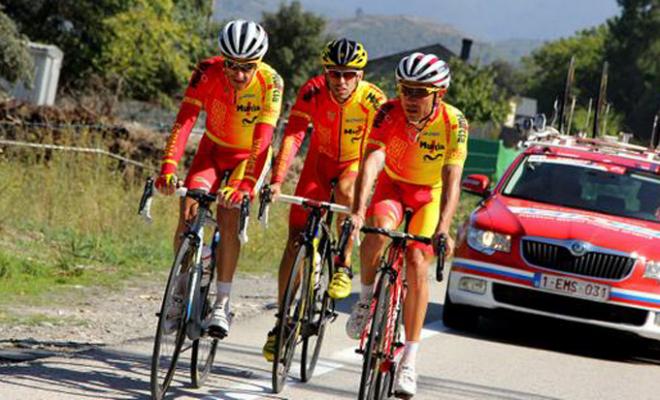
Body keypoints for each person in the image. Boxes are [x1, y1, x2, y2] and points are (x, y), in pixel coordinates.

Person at [346, 52, 468, 396]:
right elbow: (372, 159)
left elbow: (452, 177)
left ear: (437, 94)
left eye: (419, 92)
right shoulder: (388, 111)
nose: (410, 99)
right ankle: (367, 300)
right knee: (376, 231)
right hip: (393, 186)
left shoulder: (454, 122)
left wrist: (443, 227)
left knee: (416, 261)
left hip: (429, 196)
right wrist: (358, 209)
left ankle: (410, 361)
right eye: (405, 90)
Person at [155, 19, 283, 338]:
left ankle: (222, 302)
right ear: (223, 59)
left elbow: (263, 140)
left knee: (228, 215)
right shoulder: (207, 72)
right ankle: (179, 292)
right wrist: (168, 166)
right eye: (232, 65)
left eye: (247, 67)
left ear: (259, 62)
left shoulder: (272, 82)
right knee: (187, 214)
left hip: (248, 157)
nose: (239, 75)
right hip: (212, 150)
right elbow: (185, 119)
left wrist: (244, 186)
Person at [262, 38, 386, 361]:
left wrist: (362, 205)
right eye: (335, 73)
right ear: (325, 72)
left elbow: (377, 151)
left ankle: (343, 262)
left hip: (352, 165)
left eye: (348, 74)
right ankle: (282, 321)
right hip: (317, 166)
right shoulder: (313, 91)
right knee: (294, 242)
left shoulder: (374, 100)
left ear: (360, 76)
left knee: (346, 191)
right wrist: (277, 180)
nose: (341, 81)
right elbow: (293, 134)